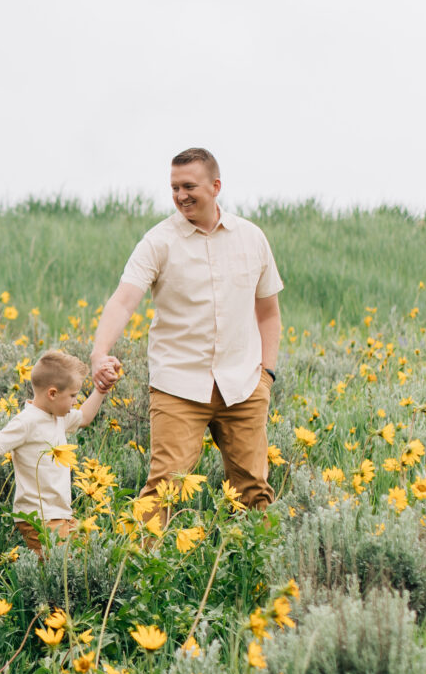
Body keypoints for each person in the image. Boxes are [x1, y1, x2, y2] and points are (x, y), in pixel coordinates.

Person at [89, 147, 283, 525]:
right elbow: (123, 301)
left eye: (189, 186)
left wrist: (266, 375)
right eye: (174, 187)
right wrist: (100, 353)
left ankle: (255, 581)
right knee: (162, 491)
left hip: (244, 385)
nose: (181, 196)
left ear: (216, 186)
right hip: (178, 385)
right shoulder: (157, 242)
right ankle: (143, 576)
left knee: (254, 491)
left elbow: (269, 312)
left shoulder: (252, 238)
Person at [0, 350, 105, 555]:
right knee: (61, 566)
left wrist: (101, 390)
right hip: (38, 516)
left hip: (60, 514)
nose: (75, 402)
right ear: (52, 394)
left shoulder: (58, 416)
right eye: (72, 396)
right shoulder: (27, 421)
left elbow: (85, 417)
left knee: (86, 555)